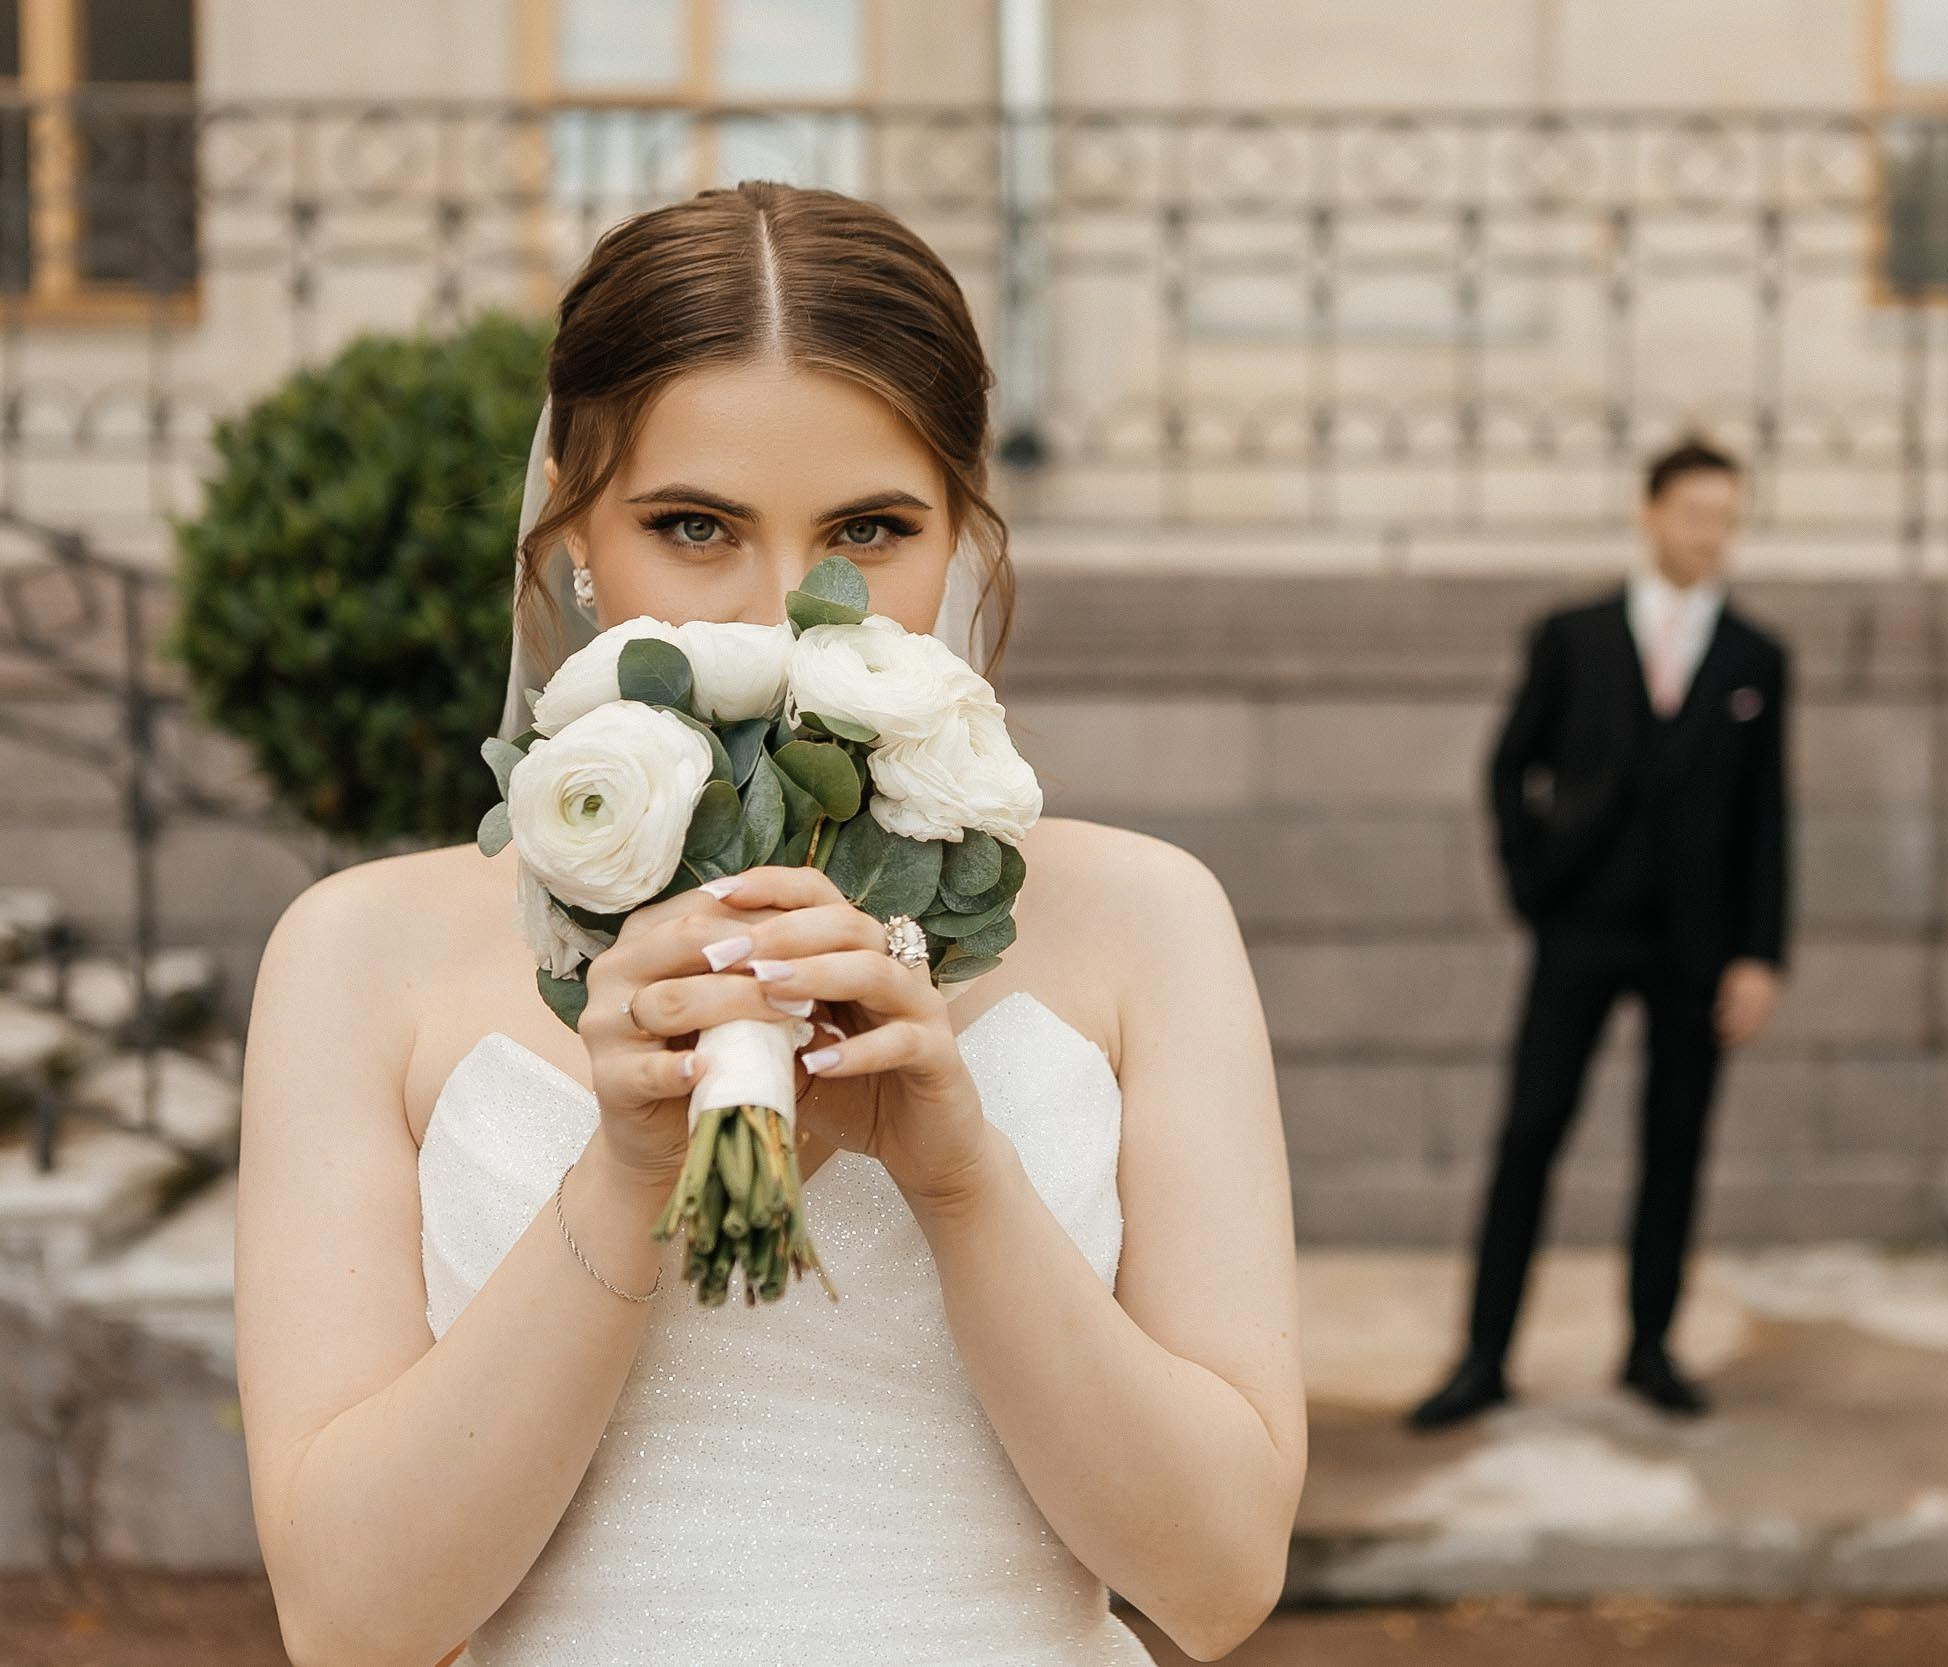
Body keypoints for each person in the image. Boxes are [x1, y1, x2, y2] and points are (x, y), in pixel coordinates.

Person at [231, 181, 1304, 1665]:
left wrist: (958, 1176)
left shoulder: (1148, 923)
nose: (788, 611)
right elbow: (352, 1619)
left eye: (871, 525)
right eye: (693, 524)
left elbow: (1220, 1577)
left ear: (962, 540)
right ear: (577, 539)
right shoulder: (360, 955)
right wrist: (623, 1168)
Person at [1408, 436, 1791, 1430]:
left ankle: (1651, 1347)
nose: (1711, 535)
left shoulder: (1757, 658)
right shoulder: (1571, 635)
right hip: (1580, 926)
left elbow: (1767, 816)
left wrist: (1759, 953)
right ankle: (1484, 1354)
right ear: (1652, 511)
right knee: (1530, 1131)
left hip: (1697, 944)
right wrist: (1533, 883)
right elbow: (1508, 767)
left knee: (1674, 1143)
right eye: (1697, 513)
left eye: (1727, 518)